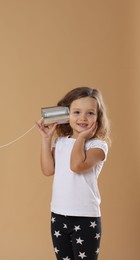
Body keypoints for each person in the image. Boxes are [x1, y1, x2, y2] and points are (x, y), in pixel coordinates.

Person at [36, 87, 111, 260]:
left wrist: (82, 138)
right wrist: (46, 140)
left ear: (98, 118)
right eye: (76, 112)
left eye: (90, 113)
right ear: (66, 114)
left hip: (85, 218)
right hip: (58, 215)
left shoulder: (98, 146)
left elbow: (76, 165)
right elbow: (48, 170)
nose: (83, 118)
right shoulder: (61, 142)